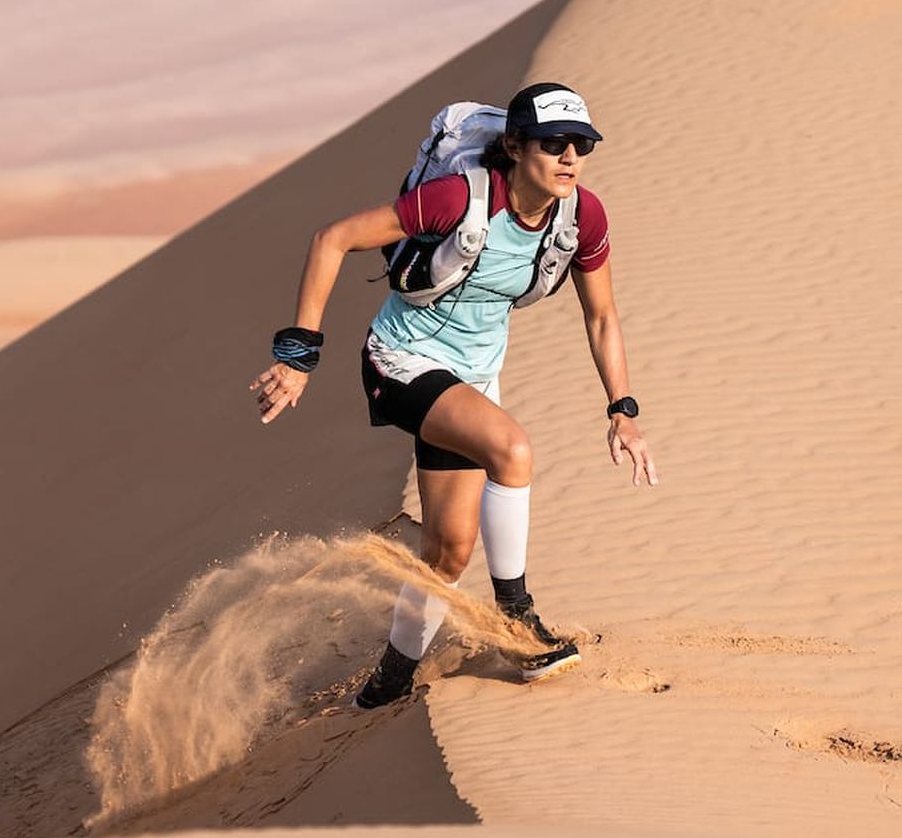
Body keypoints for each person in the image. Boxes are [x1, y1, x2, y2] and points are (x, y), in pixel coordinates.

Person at [249, 82, 658, 707]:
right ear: (516, 147)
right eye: (554, 143)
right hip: (401, 361)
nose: (570, 157)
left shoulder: (582, 217)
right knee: (512, 450)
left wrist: (622, 409)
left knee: (448, 551)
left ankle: (388, 682)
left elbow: (602, 317)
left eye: (582, 145)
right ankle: (517, 620)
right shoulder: (460, 198)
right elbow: (333, 237)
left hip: (472, 378)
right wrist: (298, 353)